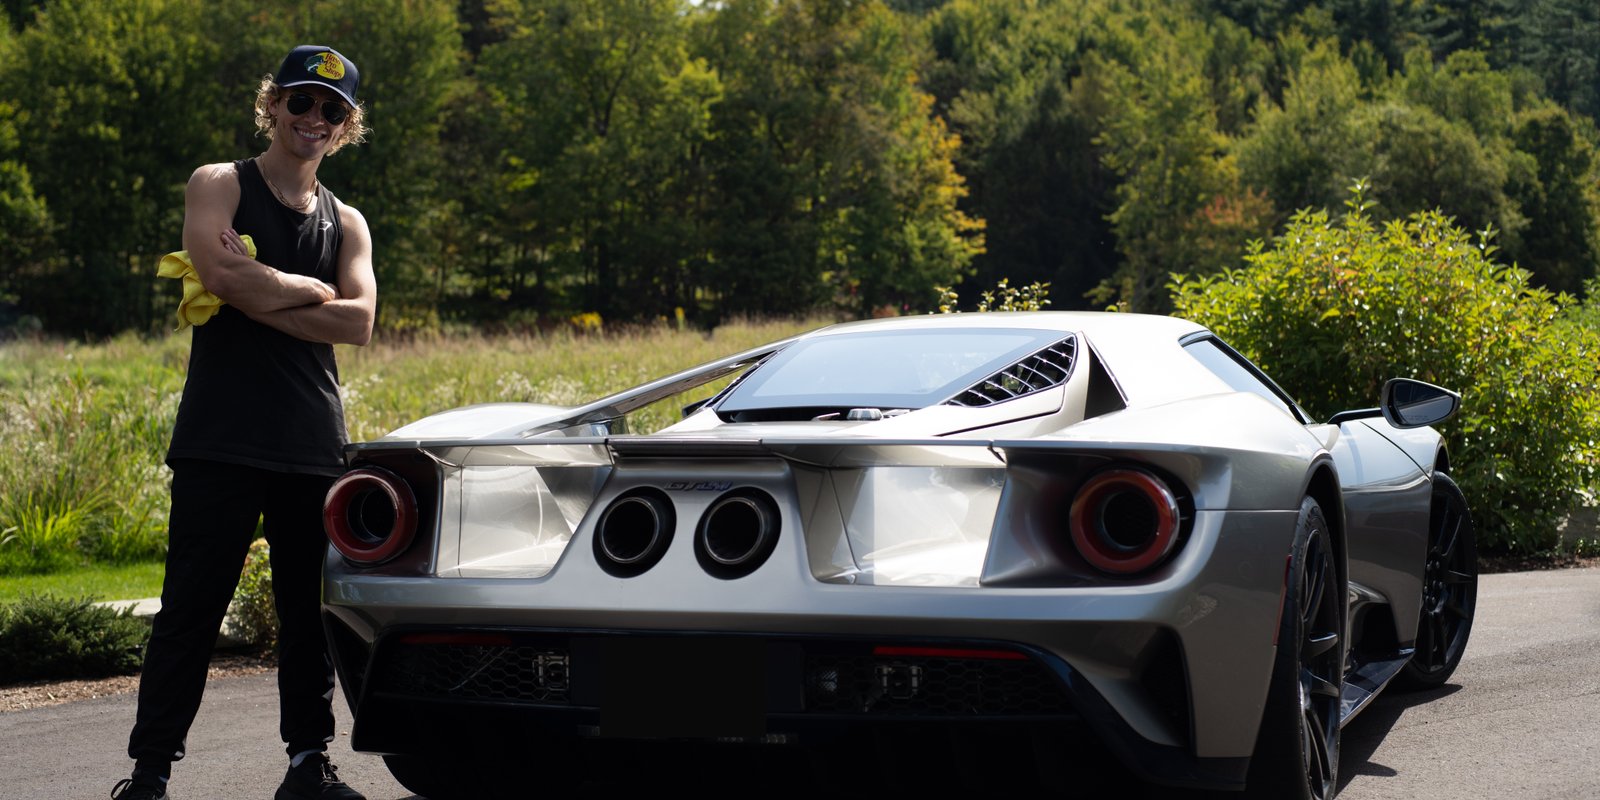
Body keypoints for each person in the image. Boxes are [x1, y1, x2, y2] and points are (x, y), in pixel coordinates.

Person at [112, 45, 377, 800]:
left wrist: (256, 292)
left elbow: (358, 324)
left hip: (310, 444)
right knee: (190, 613)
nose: (313, 119)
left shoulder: (348, 222)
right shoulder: (219, 184)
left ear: (347, 125)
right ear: (272, 105)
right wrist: (307, 291)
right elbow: (219, 272)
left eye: (332, 110)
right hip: (219, 441)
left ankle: (307, 767)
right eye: (301, 102)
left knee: (307, 618)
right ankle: (149, 775)